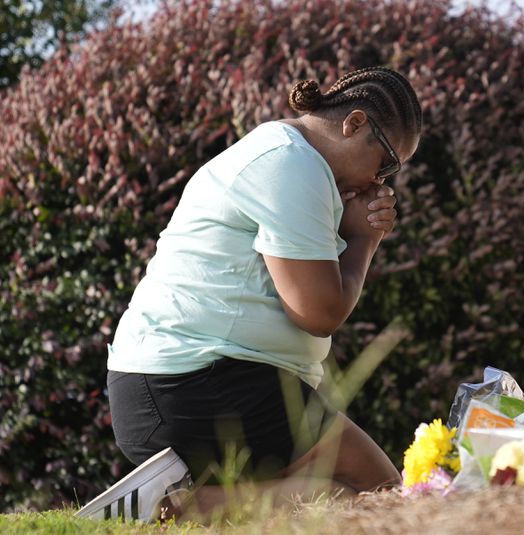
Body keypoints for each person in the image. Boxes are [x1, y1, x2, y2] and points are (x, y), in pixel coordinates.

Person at [76, 66, 423, 522]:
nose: (381, 183)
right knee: (377, 490)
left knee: (328, 498)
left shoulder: (284, 156)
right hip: (197, 382)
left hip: (170, 386)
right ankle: (171, 511)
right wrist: (363, 241)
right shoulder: (293, 164)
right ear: (354, 123)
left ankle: (173, 507)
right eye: (386, 163)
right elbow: (318, 313)